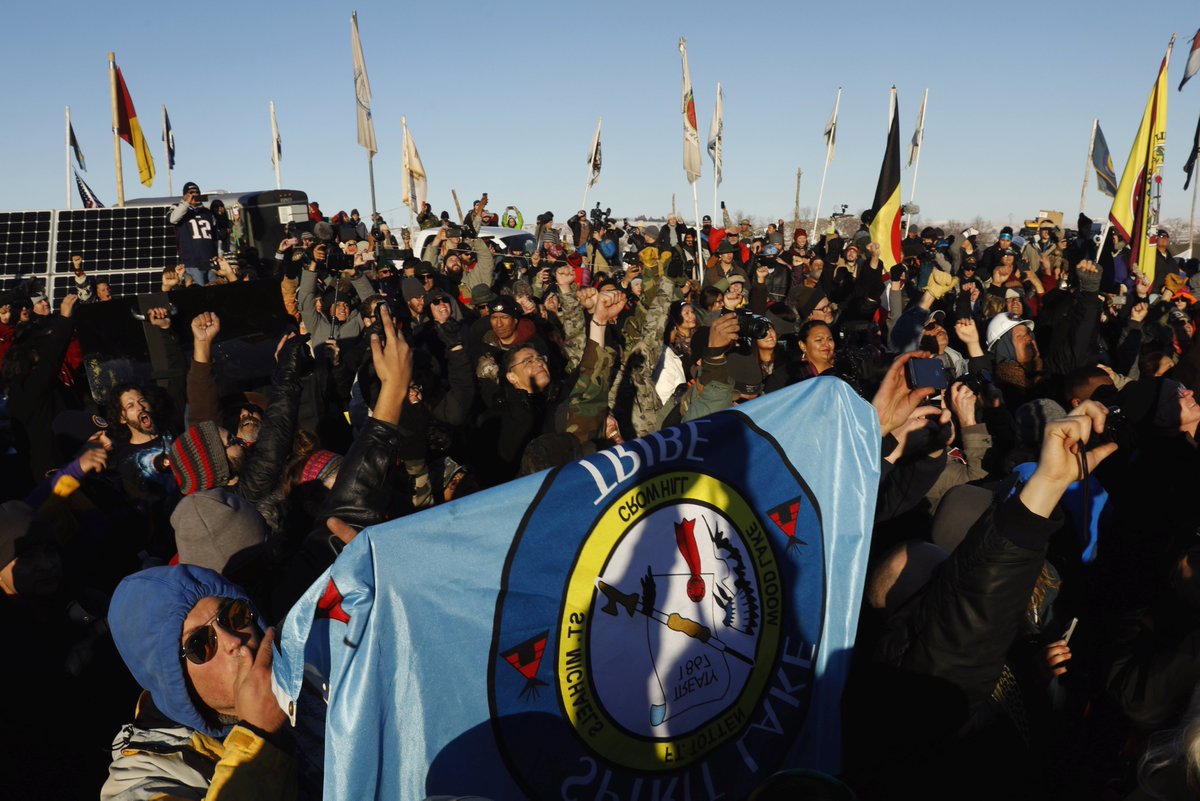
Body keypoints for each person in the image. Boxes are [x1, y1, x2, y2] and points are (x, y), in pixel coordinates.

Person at [102, 564, 299, 800]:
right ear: (172, 679)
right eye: (199, 644)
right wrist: (256, 737)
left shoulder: (308, 657)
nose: (233, 640)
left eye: (233, 616)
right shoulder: (143, 775)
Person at [169, 182, 220, 286]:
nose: (194, 195)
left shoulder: (207, 212)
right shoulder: (177, 207)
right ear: (184, 195)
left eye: (197, 192)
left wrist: (218, 256)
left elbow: (215, 237)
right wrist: (186, 203)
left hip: (210, 260)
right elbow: (172, 219)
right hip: (192, 262)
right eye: (191, 192)